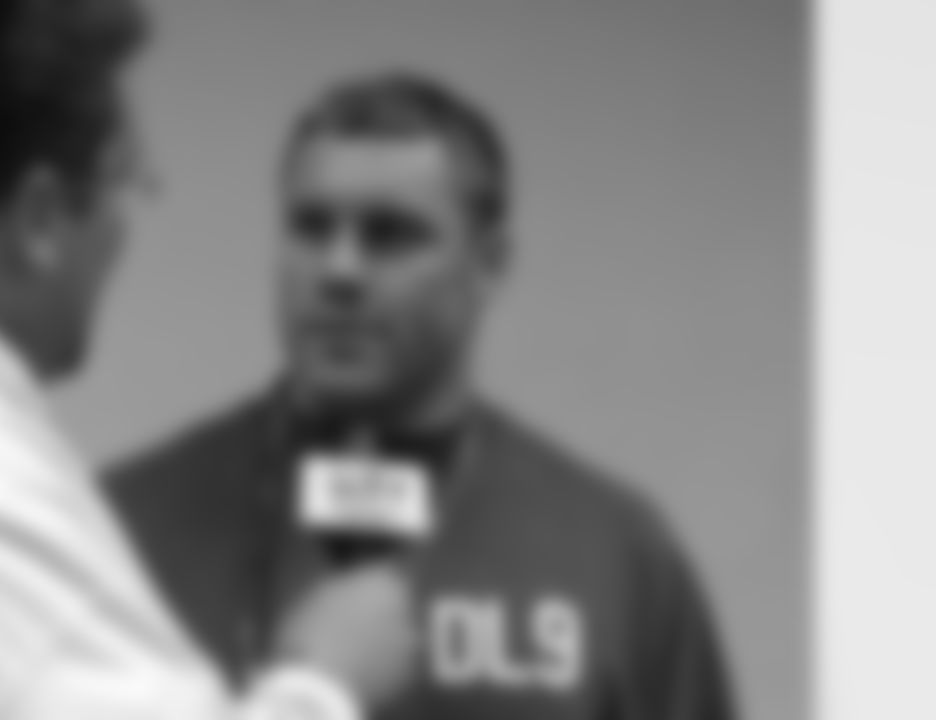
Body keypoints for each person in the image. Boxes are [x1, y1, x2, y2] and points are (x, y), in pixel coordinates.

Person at [0, 2, 418, 719]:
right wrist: (325, 682)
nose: (341, 273)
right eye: (127, 181)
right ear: (41, 221)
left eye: (391, 235)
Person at [108, 70, 739, 720]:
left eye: (389, 235)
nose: (339, 270)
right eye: (311, 228)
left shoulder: (615, 553)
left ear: (489, 264)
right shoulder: (128, 527)